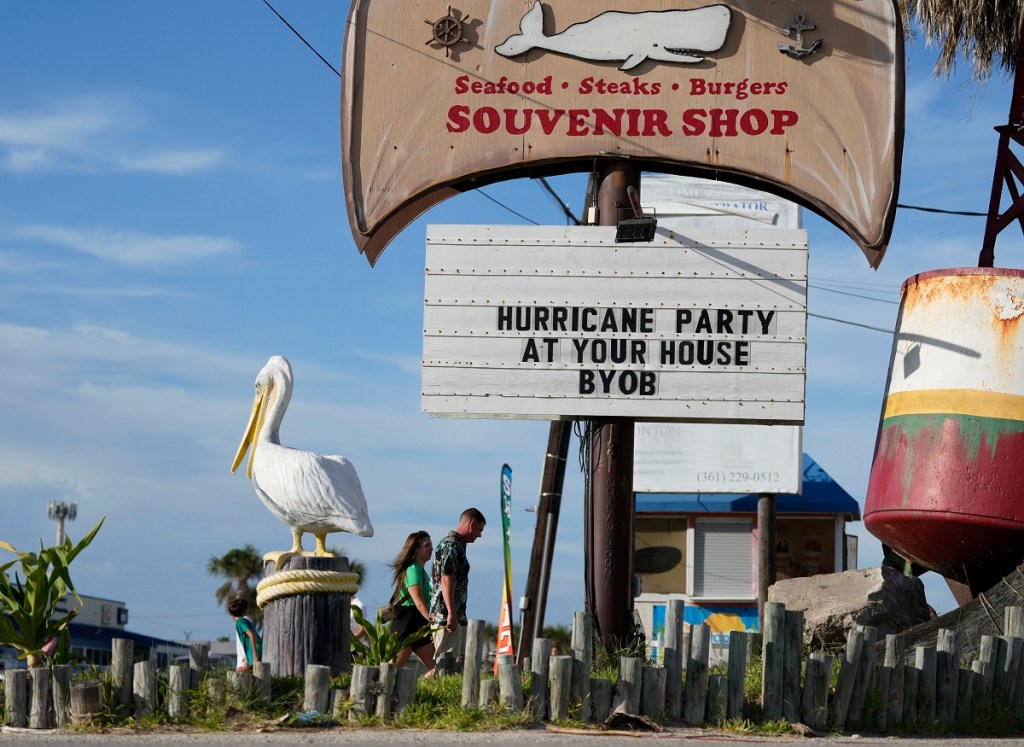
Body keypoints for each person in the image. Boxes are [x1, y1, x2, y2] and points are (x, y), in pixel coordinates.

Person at [430, 508, 485, 660]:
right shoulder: (452, 546)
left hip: (452, 615)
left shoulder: (456, 546)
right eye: (479, 529)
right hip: (446, 616)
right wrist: (452, 614)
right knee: (445, 665)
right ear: (471, 524)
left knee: (453, 665)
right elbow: (446, 579)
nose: (480, 534)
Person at [389, 530, 436, 675]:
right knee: (391, 673)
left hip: (419, 622)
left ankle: (417, 691)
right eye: (427, 545)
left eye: (431, 545)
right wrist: (433, 624)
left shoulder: (422, 571)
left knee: (439, 669)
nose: (431, 549)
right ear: (416, 548)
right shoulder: (413, 569)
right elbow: (419, 602)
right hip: (407, 622)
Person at [229, 598, 261, 672]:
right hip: (251, 655)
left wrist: (251, 657)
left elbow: (251, 635)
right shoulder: (246, 621)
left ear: (230, 613)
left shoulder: (240, 622)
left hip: (249, 657)